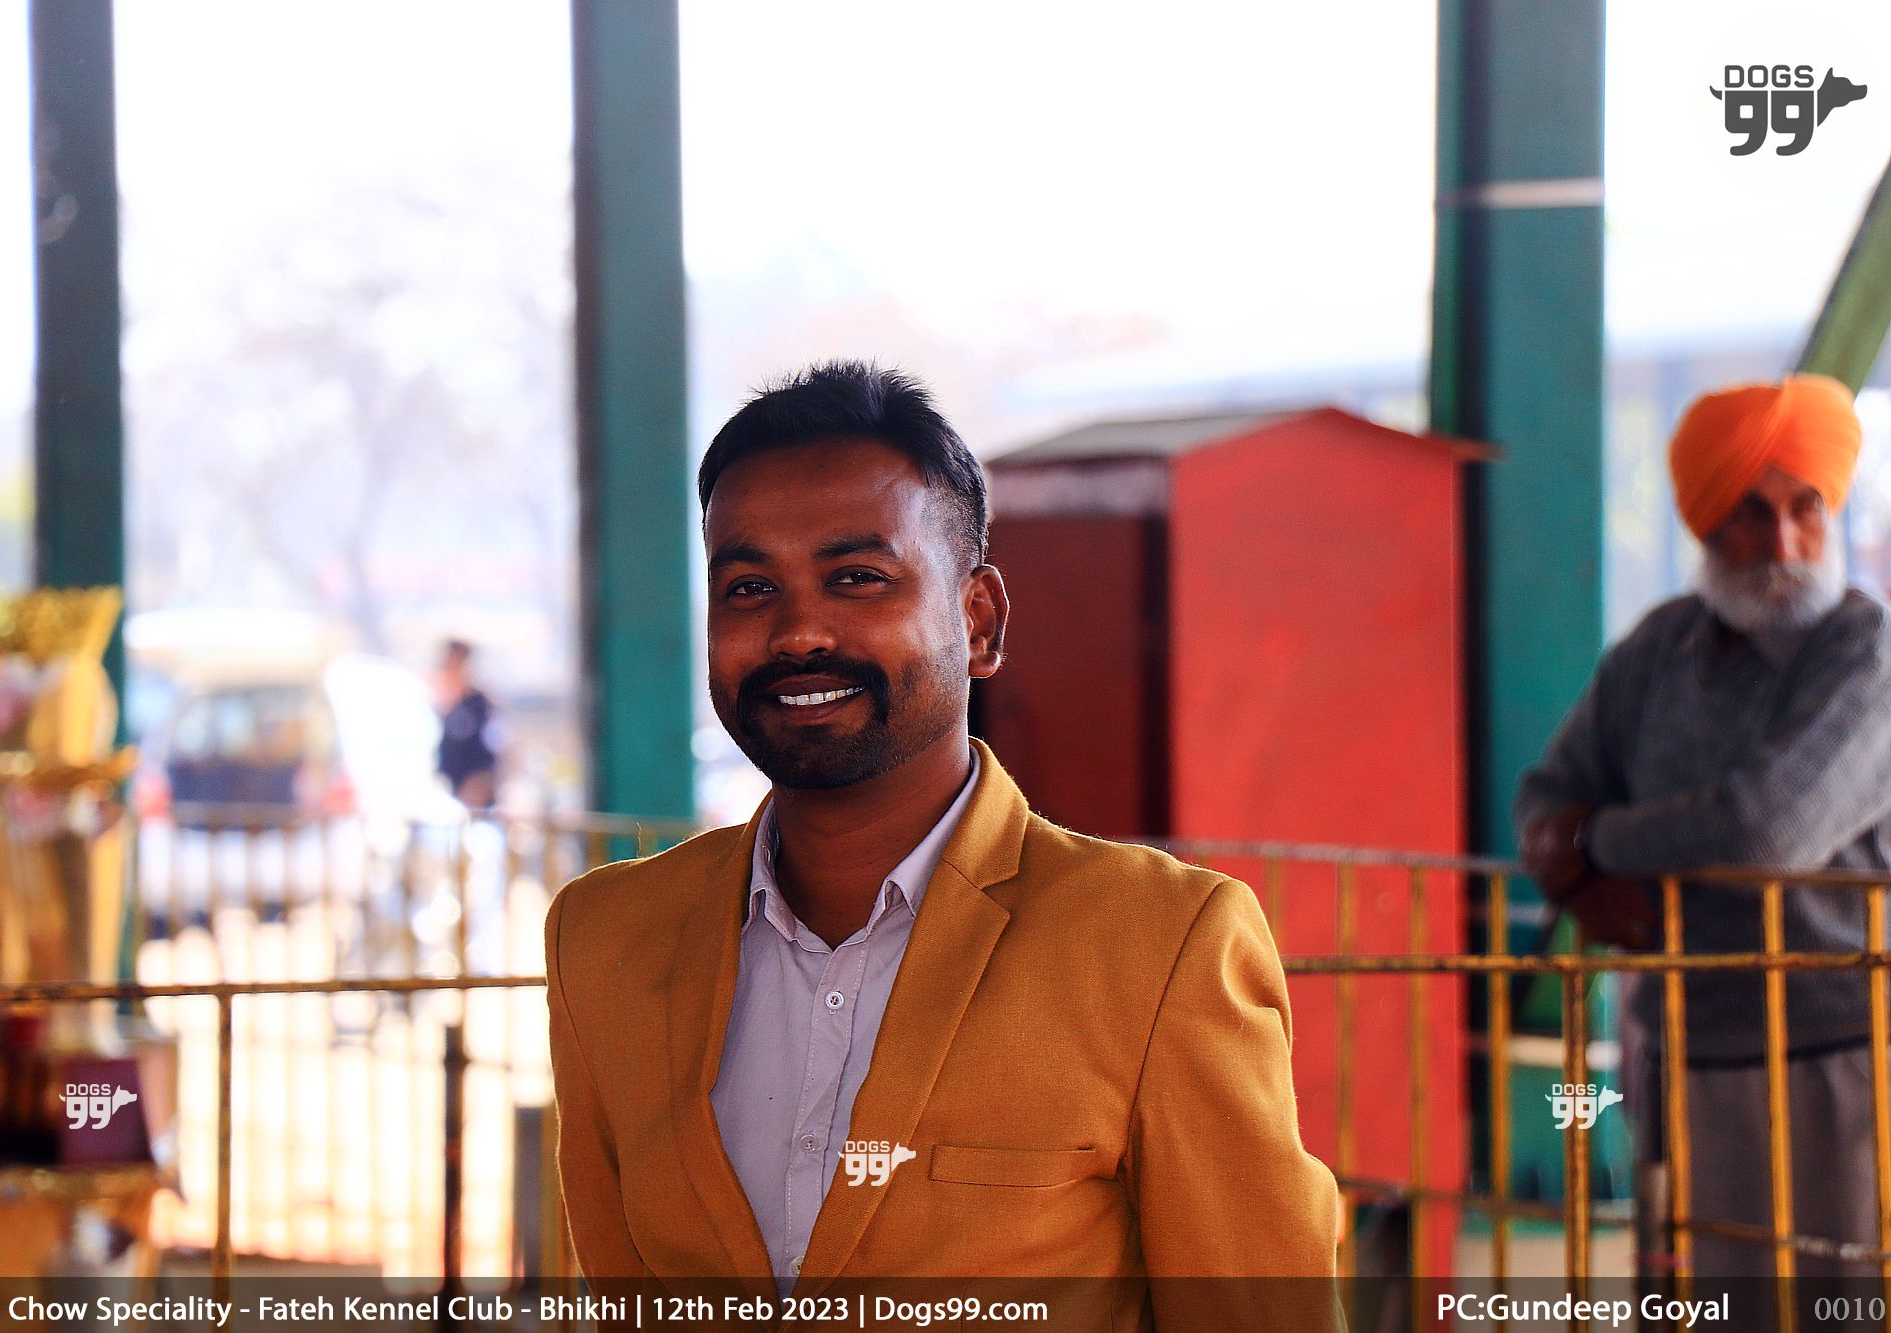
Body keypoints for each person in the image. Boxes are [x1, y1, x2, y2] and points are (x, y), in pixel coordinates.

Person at [545, 362, 1339, 1325]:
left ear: (980, 619)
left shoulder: (1161, 942)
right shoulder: (605, 939)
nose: (798, 633)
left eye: (856, 578)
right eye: (749, 587)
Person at [1516, 374, 1891, 1279]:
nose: (1784, 544)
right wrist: (1563, 851)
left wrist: (1592, 843)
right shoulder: (1659, 647)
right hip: (1677, 1046)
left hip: (1837, 1050)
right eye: (1751, 514)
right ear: (1706, 522)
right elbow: (1543, 798)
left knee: (1835, 1296)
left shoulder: (1866, 650)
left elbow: (1768, 832)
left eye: (1806, 509)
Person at [434, 639, 499, 808]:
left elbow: (492, 747)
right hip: (449, 791)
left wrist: (481, 783)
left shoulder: (479, 704)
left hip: (475, 796)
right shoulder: (444, 704)